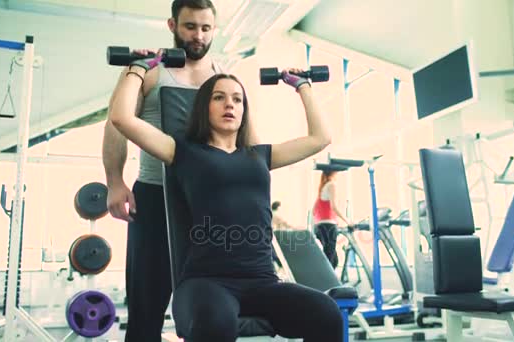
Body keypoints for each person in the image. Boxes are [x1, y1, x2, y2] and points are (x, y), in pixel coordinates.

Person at [108, 58, 343, 342]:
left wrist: (302, 85)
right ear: (204, 107)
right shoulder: (180, 151)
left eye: (237, 99)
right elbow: (121, 118)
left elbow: (321, 137)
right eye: (219, 98)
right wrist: (138, 68)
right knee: (216, 324)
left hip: (262, 282)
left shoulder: (260, 155)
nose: (229, 104)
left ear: (244, 110)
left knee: (327, 314)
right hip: (206, 283)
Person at [102, 1, 229, 340]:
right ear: (172, 25)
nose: (198, 36)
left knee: (212, 303)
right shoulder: (148, 70)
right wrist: (115, 181)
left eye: (205, 28)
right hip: (155, 195)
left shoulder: (222, 76)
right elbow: (116, 125)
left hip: (207, 203)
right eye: (190, 27)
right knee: (147, 303)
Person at [312, 170, 351, 269]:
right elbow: (334, 206)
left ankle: (328, 280)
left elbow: (314, 211)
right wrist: (347, 221)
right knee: (330, 258)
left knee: (333, 258)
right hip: (328, 225)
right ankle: (326, 281)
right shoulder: (331, 185)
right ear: (333, 173)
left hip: (319, 226)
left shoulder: (322, 187)